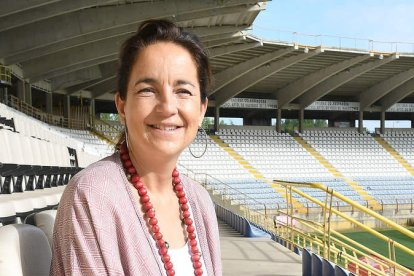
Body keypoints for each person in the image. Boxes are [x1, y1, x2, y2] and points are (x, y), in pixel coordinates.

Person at [50, 19, 222, 276]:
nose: (166, 107)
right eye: (147, 90)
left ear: (201, 109)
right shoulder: (92, 196)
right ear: (121, 106)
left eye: (183, 91)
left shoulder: (200, 200)